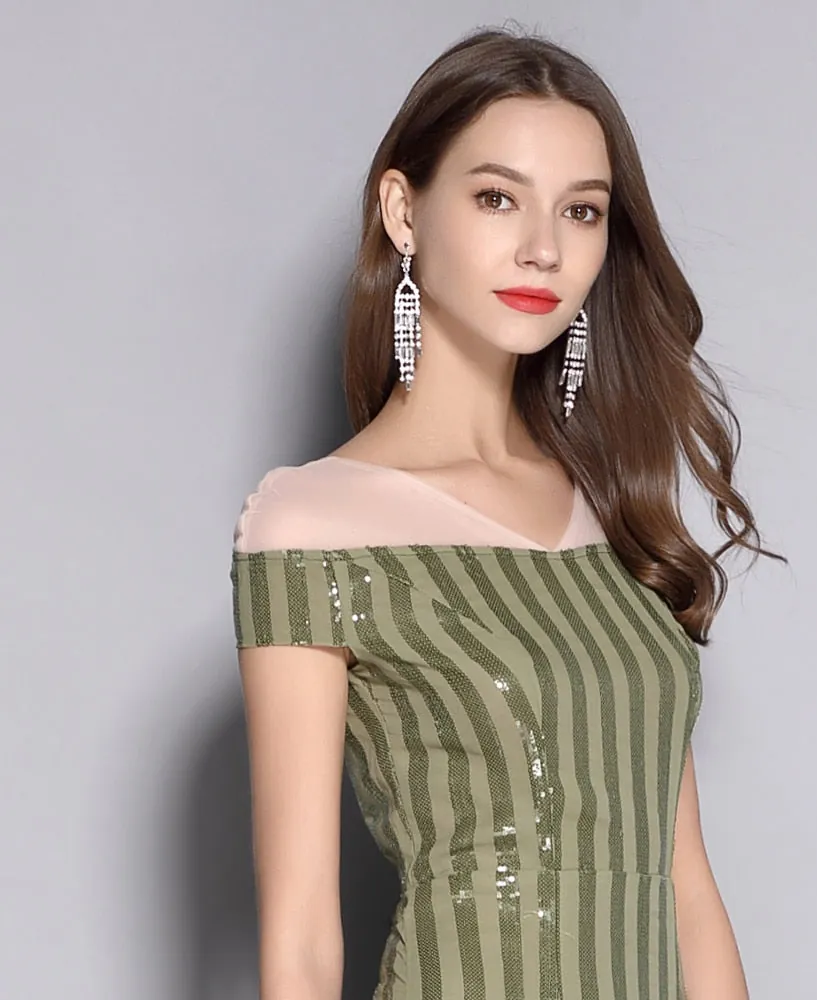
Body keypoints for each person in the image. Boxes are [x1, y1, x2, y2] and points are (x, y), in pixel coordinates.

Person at [230, 25, 777, 1000]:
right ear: (403, 210)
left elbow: (686, 887)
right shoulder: (310, 523)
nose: (543, 248)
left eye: (581, 211)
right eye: (496, 197)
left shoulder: (612, 506)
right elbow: (302, 940)